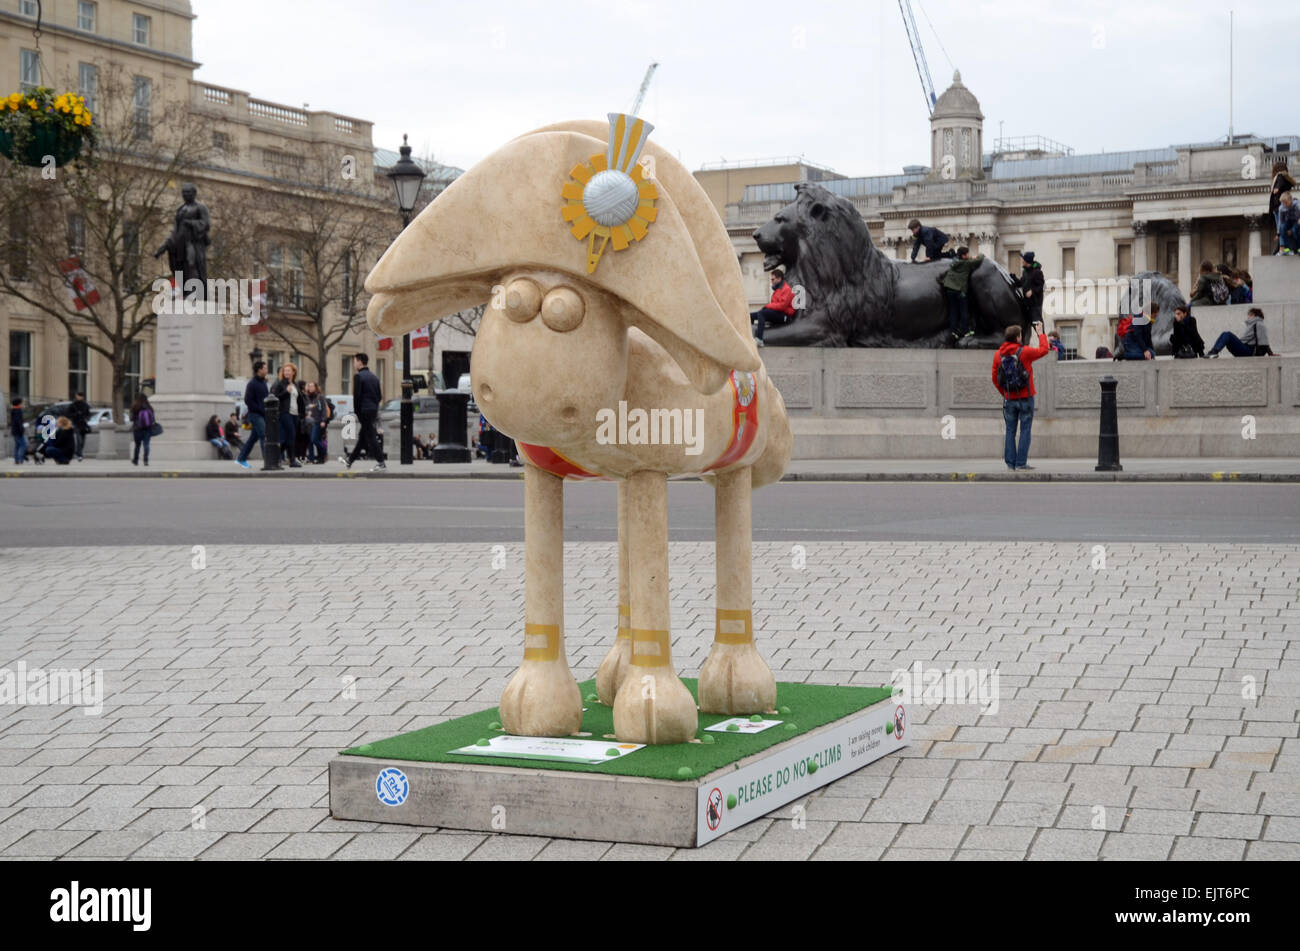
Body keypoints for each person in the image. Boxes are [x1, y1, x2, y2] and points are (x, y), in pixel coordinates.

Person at [992, 321, 1051, 471]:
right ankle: (1021, 463)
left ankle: (1010, 463)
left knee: (1010, 431)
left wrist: (1005, 394)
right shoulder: (1025, 352)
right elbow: (1044, 350)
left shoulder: (998, 355)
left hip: (1009, 399)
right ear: (1018, 337)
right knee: (1025, 430)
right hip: (1026, 397)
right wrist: (1040, 333)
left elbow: (995, 378)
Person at [340, 352, 385, 471]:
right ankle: (349, 461)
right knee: (363, 437)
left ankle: (381, 463)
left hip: (363, 411)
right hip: (373, 410)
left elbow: (357, 397)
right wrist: (373, 406)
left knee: (370, 437)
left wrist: (357, 412)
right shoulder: (374, 377)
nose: (354, 364)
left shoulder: (358, 376)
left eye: (354, 361)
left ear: (360, 362)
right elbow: (380, 396)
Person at [939, 247, 983, 340]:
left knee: (953, 311)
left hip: (949, 289)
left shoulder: (954, 262)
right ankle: (965, 331)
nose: (968, 255)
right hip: (960, 291)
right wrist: (978, 255)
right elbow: (980, 259)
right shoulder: (966, 263)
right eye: (967, 254)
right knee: (964, 311)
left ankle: (953, 331)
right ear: (963, 255)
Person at [270, 363, 305, 469]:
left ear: (293, 372)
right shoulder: (280, 384)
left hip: (295, 414)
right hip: (285, 413)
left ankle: (275, 458)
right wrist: (286, 392)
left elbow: (300, 400)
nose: (286, 373)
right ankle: (292, 460)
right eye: (285, 371)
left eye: (289, 371)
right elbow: (275, 398)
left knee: (286, 439)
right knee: (291, 435)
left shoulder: (295, 384)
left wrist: (302, 414)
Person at [236, 361, 270, 469]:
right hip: (256, 415)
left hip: (263, 414)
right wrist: (260, 409)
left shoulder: (263, 382)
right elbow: (248, 400)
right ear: (259, 370)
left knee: (253, 438)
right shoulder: (252, 383)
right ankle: (268, 461)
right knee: (264, 436)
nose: (266, 370)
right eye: (265, 368)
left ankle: (241, 458)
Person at [751, 269, 796, 347]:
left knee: (762, 313)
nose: (771, 281)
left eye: (773, 279)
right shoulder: (778, 289)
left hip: (784, 316)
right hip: (778, 313)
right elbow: (775, 305)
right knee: (750, 315)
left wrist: (767, 306)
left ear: (779, 279)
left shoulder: (786, 289)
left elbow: (782, 306)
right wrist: (768, 308)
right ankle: (750, 336)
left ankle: (759, 339)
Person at [1208, 307, 1273, 357]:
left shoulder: (1259, 324)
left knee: (1228, 334)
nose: (1248, 317)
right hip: (1245, 349)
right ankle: (1214, 351)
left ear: (1254, 315)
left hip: (1249, 351)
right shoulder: (1252, 324)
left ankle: (1215, 351)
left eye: (1250, 315)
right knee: (1224, 334)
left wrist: (1270, 353)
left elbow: (1264, 341)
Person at [1270, 162, 1296, 254]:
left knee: (1281, 228)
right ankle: (1281, 249)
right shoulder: (1286, 179)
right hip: (1282, 206)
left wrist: (1277, 188)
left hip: (1278, 206)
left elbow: (1278, 188)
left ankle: (1282, 249)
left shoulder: (1279, 177)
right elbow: (1291, 185)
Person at [1013, 252, 1045, 327]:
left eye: (1023, 260)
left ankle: (1043, 338)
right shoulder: (1025, 272)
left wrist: (1032, 291)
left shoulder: (1037, 272)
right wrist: (1014, 278)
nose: (1022, 261)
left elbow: (1040, 286)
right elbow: (1021, 283)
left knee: (1037, 326)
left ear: (1027, 261)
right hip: (1026, 303)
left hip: (1035, 305)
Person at [302, 382, 329, 464]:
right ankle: (316, 458)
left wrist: (324, 420)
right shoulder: (307, 397)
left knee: (314, 439)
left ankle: (324, 453)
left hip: (318, 421)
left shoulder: (320, 397)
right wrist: (307, 412)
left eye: (312, 386)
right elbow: (304, 408)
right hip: (308, 422)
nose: (310, 388)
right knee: (311, 440)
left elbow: (323, 409)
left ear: (316, 387)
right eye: (309, 386)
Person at [130, 394, 155, 466]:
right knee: (146, 445)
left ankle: (136, 460)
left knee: (137, 445)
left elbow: (131, 418)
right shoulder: (149, 407)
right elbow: (153, 419)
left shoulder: (134, 406)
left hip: (137, 429)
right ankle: (146, 460)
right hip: (147, 429)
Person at [68, 391, 91, 461]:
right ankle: (79, 455)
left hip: (83, 424)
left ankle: (78, 452)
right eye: (78, 396)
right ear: (76, 396)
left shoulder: (86, 405)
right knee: (79, 440)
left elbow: (88, 414)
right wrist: (76, 414)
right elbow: (68, 414)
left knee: (83, 441)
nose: (79, 397)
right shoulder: (73, 405)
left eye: (81, 396)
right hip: (76, 424)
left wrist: (87, 419)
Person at [10, 397, 27, 464]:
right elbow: (18, 422)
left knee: (17, 445)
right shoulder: (18, 411)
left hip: (14, 431)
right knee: (23, 445)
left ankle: (16, 460)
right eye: (22, 403)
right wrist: (22, 430)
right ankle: (20, 459)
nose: (23, 404)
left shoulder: (13, 410)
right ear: (19, 404)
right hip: (18, 431)